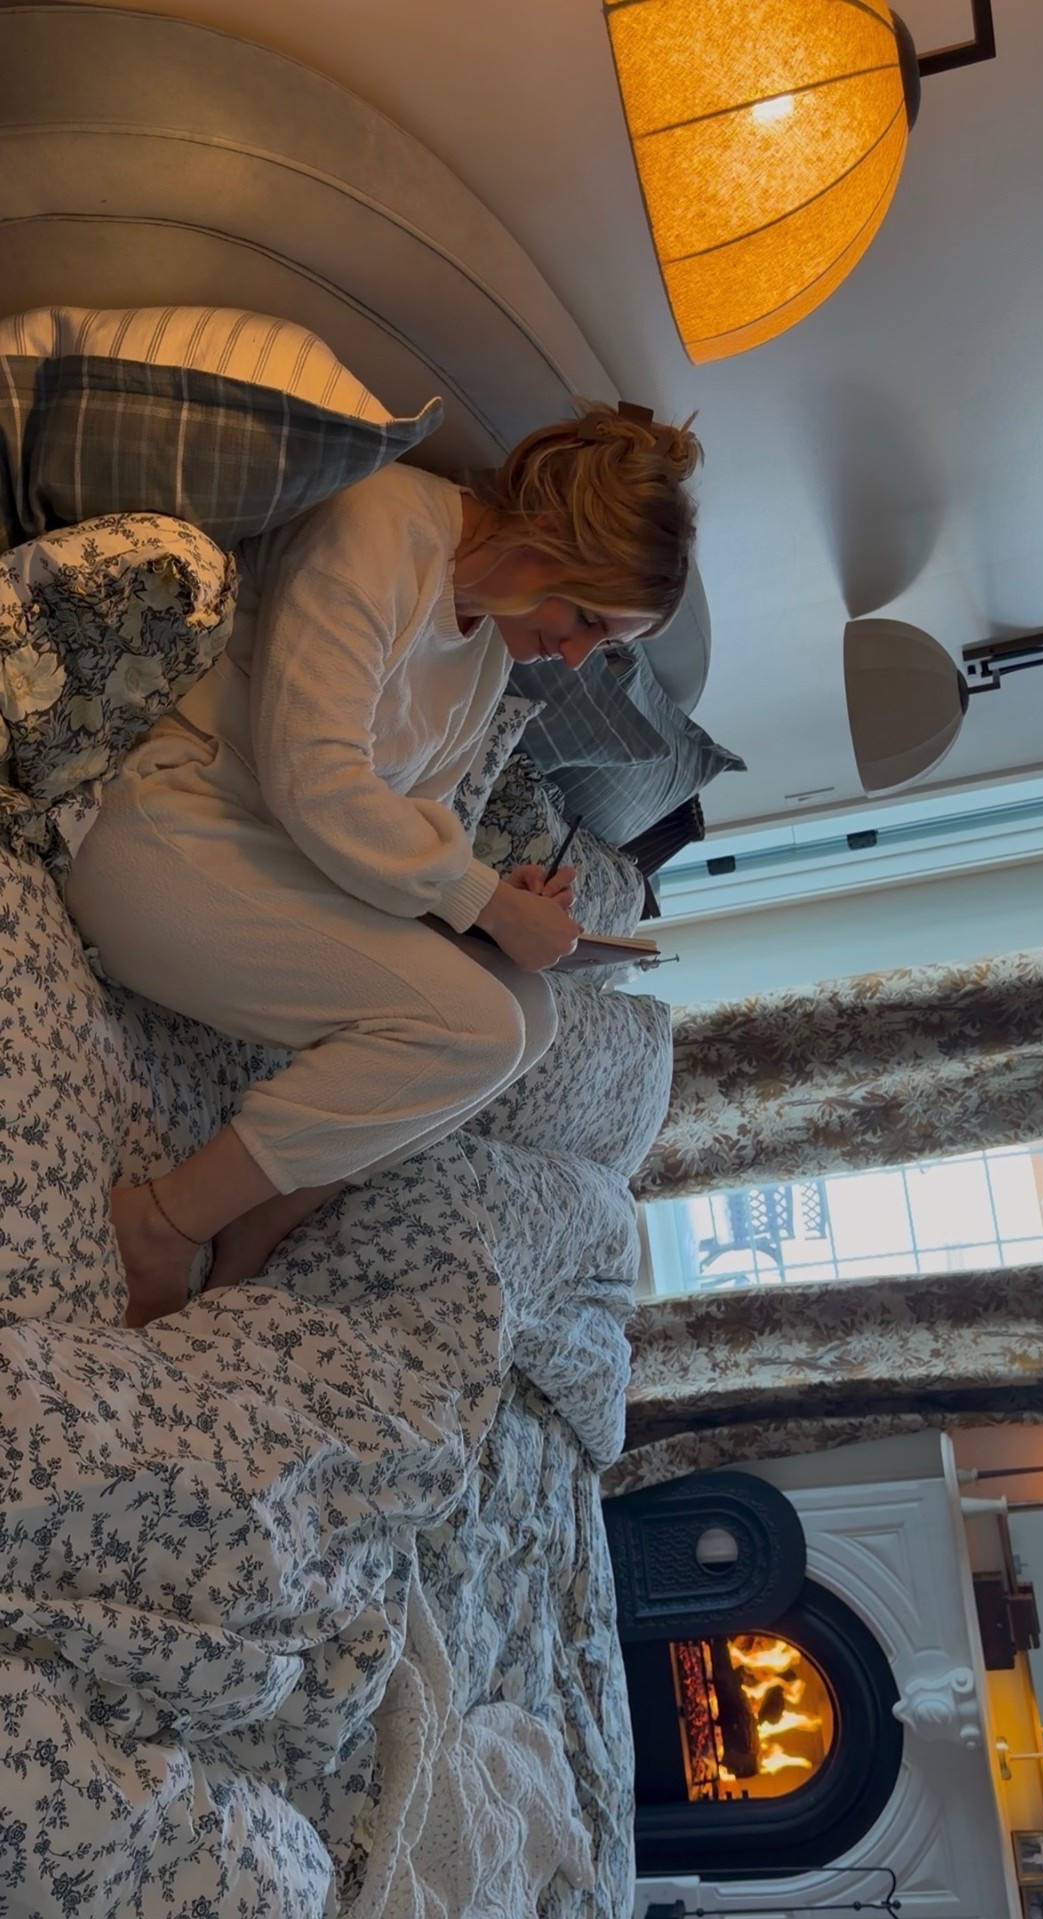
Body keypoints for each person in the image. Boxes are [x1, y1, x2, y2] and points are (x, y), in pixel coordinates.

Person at [65, 402, 701, 1325]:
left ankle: (265, 1212)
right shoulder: (379, 527)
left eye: (604, 646)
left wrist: (490, 901)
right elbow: (317, 782)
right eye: (586, 620)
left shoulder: (484, 649)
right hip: (167, 829)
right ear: (547, 535)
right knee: (474, 1028)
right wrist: (482, 901)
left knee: (526, 1014)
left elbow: (402, 821)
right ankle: (159, 1223)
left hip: (270, 859)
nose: (573, 659)